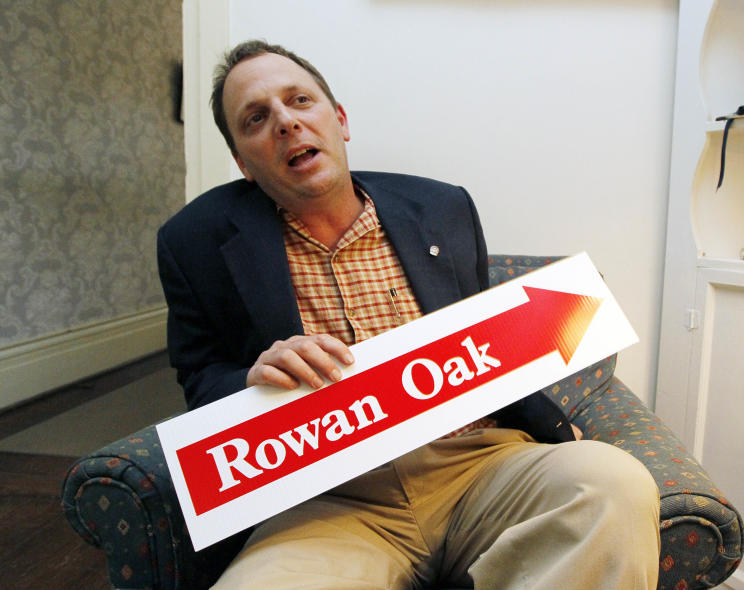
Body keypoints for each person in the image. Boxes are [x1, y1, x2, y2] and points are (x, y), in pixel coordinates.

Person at [158, 39, 660, 590]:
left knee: (615, 485)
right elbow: (200, 381)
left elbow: (490, 344)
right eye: (256, 118)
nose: (285, 122)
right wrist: (253, 381)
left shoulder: (443, 208)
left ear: (339, 120)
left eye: (300, 101)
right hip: (328, 501)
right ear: (242, 163)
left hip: (478, 465)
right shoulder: (194, 242)